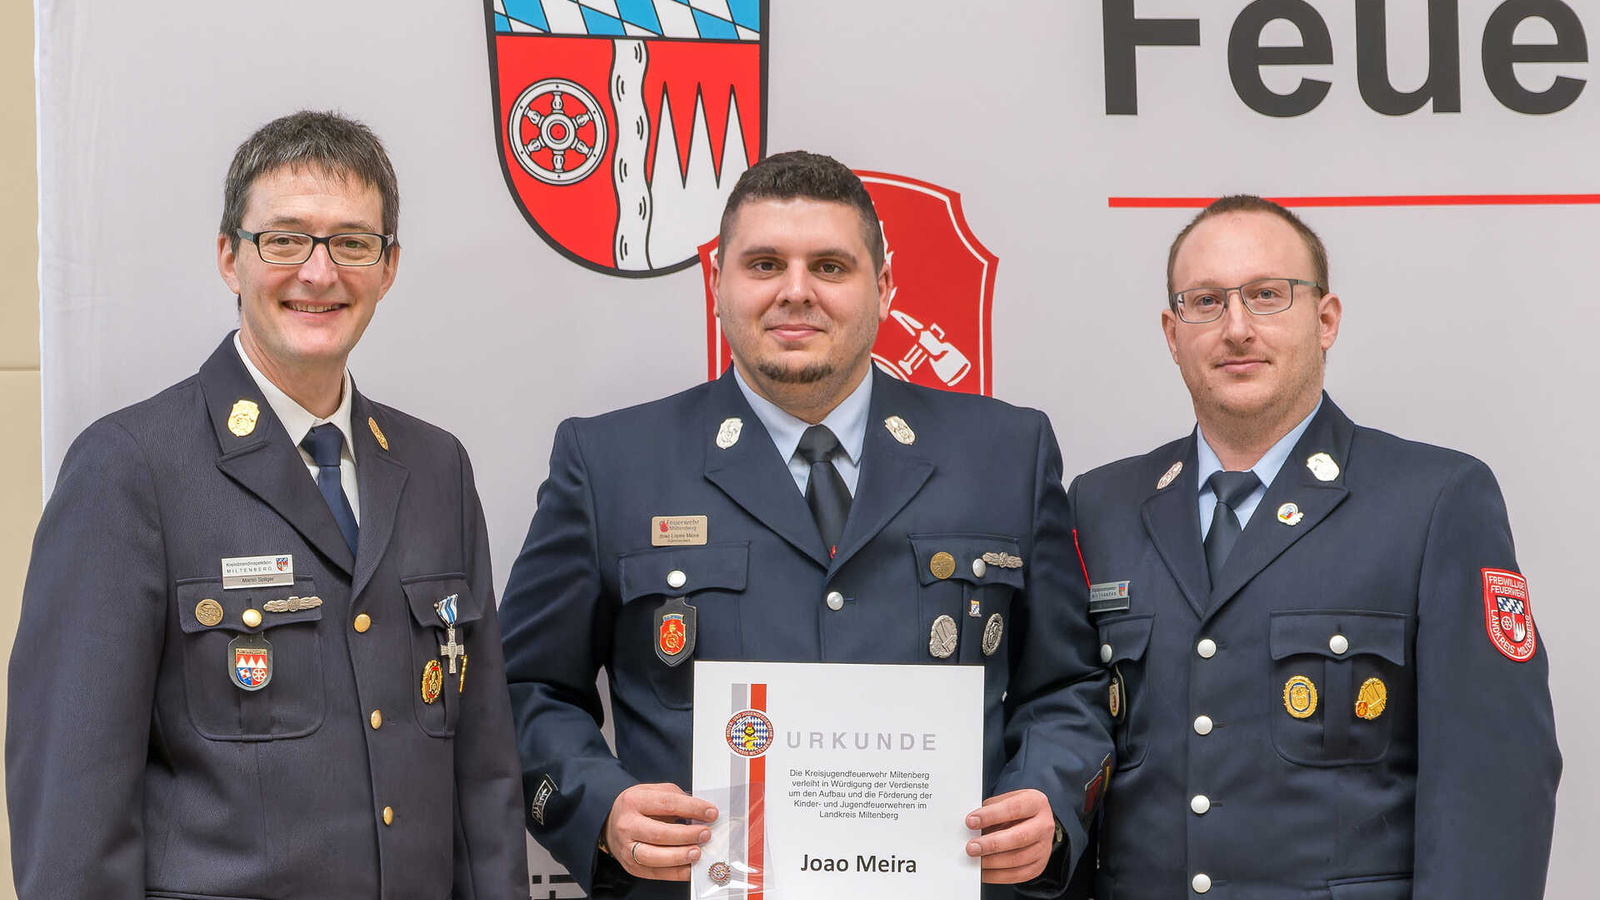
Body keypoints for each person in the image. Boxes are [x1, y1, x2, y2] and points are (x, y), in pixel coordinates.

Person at [500, 151, 1111, 899]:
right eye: (764, 265)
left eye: (830, 266)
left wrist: (1047, 803)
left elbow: (1068, 686)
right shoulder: (610, 462)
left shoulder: (1004, 453)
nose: (796, 292)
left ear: (883, 288)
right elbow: (526, 687)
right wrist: (600, 808)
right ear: (717, 282)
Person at [6, 110, 528, 900]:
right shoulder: (131, 468)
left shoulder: (435, 468)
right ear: (230, 258)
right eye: (284, 240)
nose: (319, 274)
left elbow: (484, 778)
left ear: (388, 268)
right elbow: (72, 804)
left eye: (353, 243)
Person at [1066, 195, 1561, 898]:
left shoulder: (1435, 500)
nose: (1237, 328)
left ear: (1325, 320)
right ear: (1172, 334)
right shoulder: (1102, 505)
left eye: (1268, 296)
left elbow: (1495, 782)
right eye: (1206, 302)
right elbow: (1068, 735)